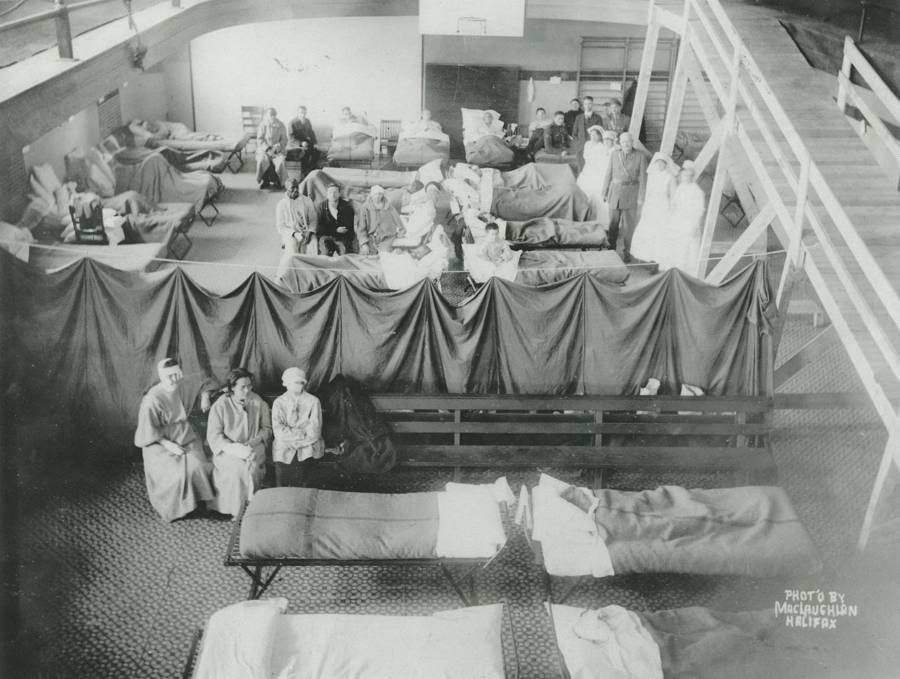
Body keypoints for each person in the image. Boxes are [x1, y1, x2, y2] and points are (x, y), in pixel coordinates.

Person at [134, 358, 215, 522]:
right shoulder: (152, 400)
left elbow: (205, 380)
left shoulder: (183, 383)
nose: (174, 379)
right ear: (161, 376)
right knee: (177, 476)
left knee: (198, 466)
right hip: (159, 443)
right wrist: (169, 445)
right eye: (169, 376)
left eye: (176, 374)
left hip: (185, 436)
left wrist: (205, 395)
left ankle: (198, 503)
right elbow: (147, 433)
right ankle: (180, 509)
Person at [206, 368, 272, 518]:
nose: (247, 390)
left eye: (249, 385)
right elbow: (214, 435)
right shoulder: (221, 405)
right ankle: (236, 511)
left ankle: (251, 509)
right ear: (232, 388)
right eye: (242, 386)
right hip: (228, 449)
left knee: (251, 467)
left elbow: (266, 428)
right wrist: (234, 448)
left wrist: (252, 443)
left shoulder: (257, 401)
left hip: (254, 446)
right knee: (237, 470)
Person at [271, 367, 325, 487]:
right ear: (287, 383)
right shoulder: (279, 403)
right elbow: (278, 431)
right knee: (283, 483)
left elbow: (315, 430)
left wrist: (300, 442)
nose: (300, 385)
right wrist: (300, 434)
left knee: (305, 482)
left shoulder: (313, 401)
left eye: (302, 382)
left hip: (308, 446)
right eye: (296, 382)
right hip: (285, 446)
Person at [600, 131, 648, 261]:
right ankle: (611, 250)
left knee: (629, 226)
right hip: (615, 193)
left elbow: (643, 178)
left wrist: (641, 197)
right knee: (613, 224)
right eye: (623, 142)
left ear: (632, 142)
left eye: (628, 141)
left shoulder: (640, 156)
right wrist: (604, 192)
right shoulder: (615, 155)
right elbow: (608, 173)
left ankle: (627, 251)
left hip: (631, 194)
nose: (626, 144)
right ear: (619, 143)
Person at [630, 152, 678, 264]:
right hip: (651, 205)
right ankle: (647, 258)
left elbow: (673, 195)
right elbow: (648, 192)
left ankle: (658, 261)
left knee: (660, 232)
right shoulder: (652, 175)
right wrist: (645, 207)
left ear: (666, 164)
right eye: (658, 163)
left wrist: (672, 210)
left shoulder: (670, 177)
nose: (660, 165)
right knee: (648, 230)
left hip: (663, 206)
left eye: (662, 163)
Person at [660, 160, 706, 274]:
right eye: (684, 174)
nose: (685, 177)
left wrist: (696, 226)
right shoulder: (681, 187)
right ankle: (676, 271)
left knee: (690, 249)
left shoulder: (697, 191)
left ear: (692, 176)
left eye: (688, 175)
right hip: (678, 220)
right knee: (677, 246)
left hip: (690, 223)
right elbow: (675, 204)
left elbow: (699, 210)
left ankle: (688, 273)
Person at [276, 178, 318, 276]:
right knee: (292, 250)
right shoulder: (281, 205)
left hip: (307, 231)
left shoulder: (307, 201)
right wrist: (294, 234)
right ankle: (292, 275)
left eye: (297, 187)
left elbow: (313, 219)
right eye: (292, 188)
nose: (296, 190)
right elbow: (280, 227)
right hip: (290, 233)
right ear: (287, 189)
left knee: (313, 246)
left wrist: (310, 232)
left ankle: (310, 276)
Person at [576, 127, 616, 225]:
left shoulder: (602, 146)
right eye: (591, 134)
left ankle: (598, 220)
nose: (593, 136)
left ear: (599, 136)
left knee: (596, 194)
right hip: (587, 170)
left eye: (596, 134)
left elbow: (603, 161)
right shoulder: (587, 144)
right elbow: (585, 157)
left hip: (597, 171)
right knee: (582, 192)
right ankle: (582, 217)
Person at [357, 185, 404, 255]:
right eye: (375, 194)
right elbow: (361, 228)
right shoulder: (365, 207)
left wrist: (401, 231)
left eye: (380, 194)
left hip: (387, 238)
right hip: (371, 238)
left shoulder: (388, 206)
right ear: (372, 195)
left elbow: (398, 221)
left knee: (384, 255)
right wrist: (363, 243)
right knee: (365, 257)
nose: (378, 196)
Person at [316, 184, 355, 255]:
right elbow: (319, 228)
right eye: (330, 192)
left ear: (339, 194)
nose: (333, 194)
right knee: (325, 253)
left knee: (345, 254)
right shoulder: (321, 207)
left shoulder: (347, 207)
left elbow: (348, 226)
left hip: (342, 237)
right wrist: (335, 230)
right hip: (326, 236)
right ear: (327, 194)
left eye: (335, 192)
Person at [255, 108, 288, 189]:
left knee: (280, 161)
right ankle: (265, 180)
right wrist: (267, 149)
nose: (272, 117)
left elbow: (284, 139)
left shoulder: (281, 125)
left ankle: (279, 180)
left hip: (277, 150)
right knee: (262, 160)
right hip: (264, 149)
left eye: (274, 115)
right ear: (267, 116)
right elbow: (259, 139)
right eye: (270, 115)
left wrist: (278, 146)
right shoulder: (263, 125)